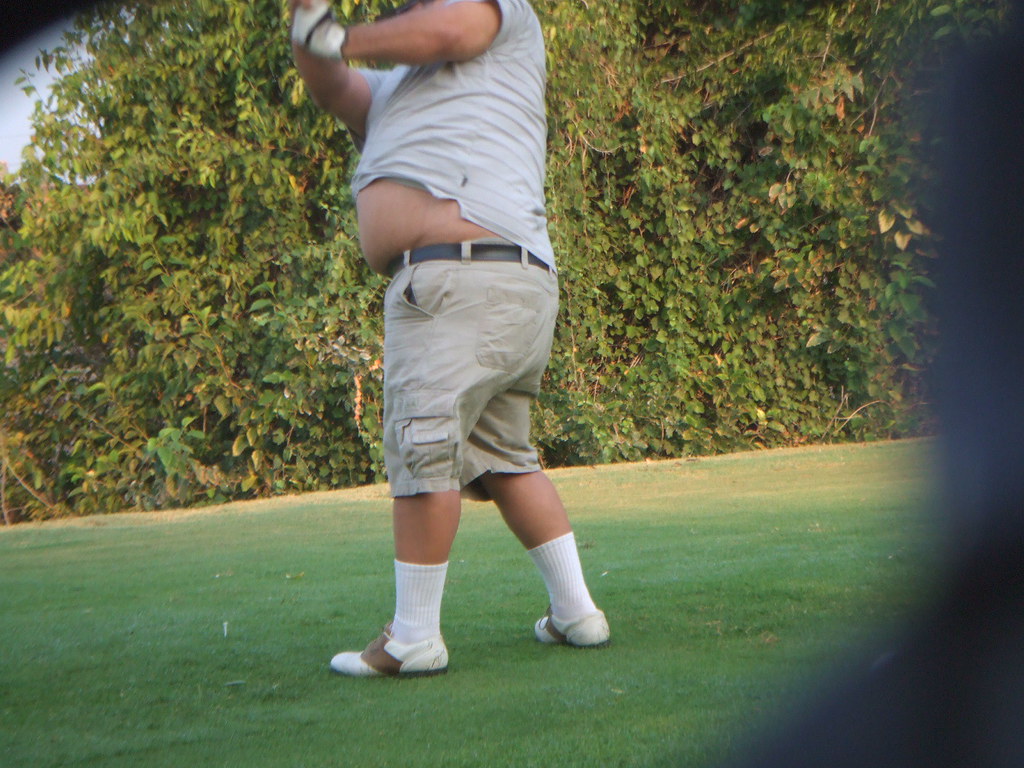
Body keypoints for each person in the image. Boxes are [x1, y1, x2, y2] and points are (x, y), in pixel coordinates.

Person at [288, 0, 610, 677]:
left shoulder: (500, 17)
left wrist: (343, 34)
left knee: (423, 447)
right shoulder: (392, 90)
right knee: (502, 458)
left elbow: (451, 26)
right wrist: (309, 27)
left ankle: (413, 638)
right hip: (503, 286)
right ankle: (576, 612)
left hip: (456, 286)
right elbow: (328, 81)